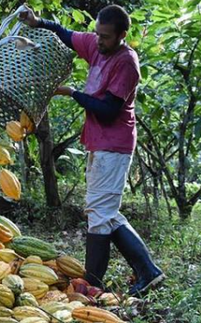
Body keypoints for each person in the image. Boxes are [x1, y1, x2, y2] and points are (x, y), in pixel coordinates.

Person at [19, 5, 165, 296]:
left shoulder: (126, 63)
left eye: (106, 37)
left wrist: (72, 92)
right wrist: (38, 22)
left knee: (99, 214)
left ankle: (93, 284)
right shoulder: (97, 44)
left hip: (115, 143)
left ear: (122, 35)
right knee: (104, 212)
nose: (98, 41)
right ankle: (147, 271)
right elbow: (66, 34)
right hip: (99, 142)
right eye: (97, 34)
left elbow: (109, 110)